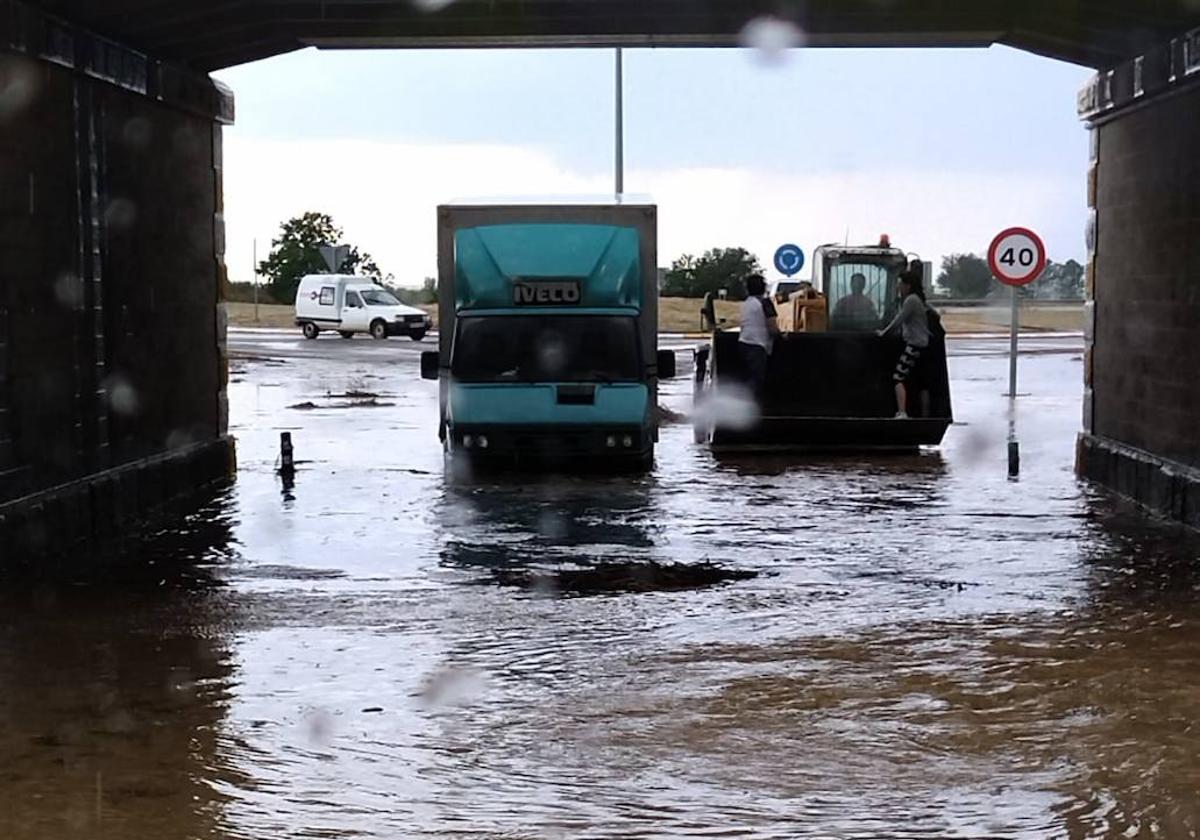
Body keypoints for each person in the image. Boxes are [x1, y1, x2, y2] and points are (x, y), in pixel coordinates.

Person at [877, 267, 930, 419]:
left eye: (900, 284)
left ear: (908, 286)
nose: (898, 287)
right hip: (923, 346)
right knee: (922, 383)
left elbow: (898, 321)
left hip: (914, 345)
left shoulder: (911, 300)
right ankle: (925, 415)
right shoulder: (918, 299)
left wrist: (883, 333)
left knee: (898, 377)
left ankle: (902, 412)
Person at [738, 273, 780, 404]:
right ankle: (752, 407)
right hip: (758, 345)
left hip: (744, 343)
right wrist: (782, 335)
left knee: (748, 376)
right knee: (757, 379)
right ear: (763, 287)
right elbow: (772, 326)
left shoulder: (746, 304)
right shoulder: (765, 303)